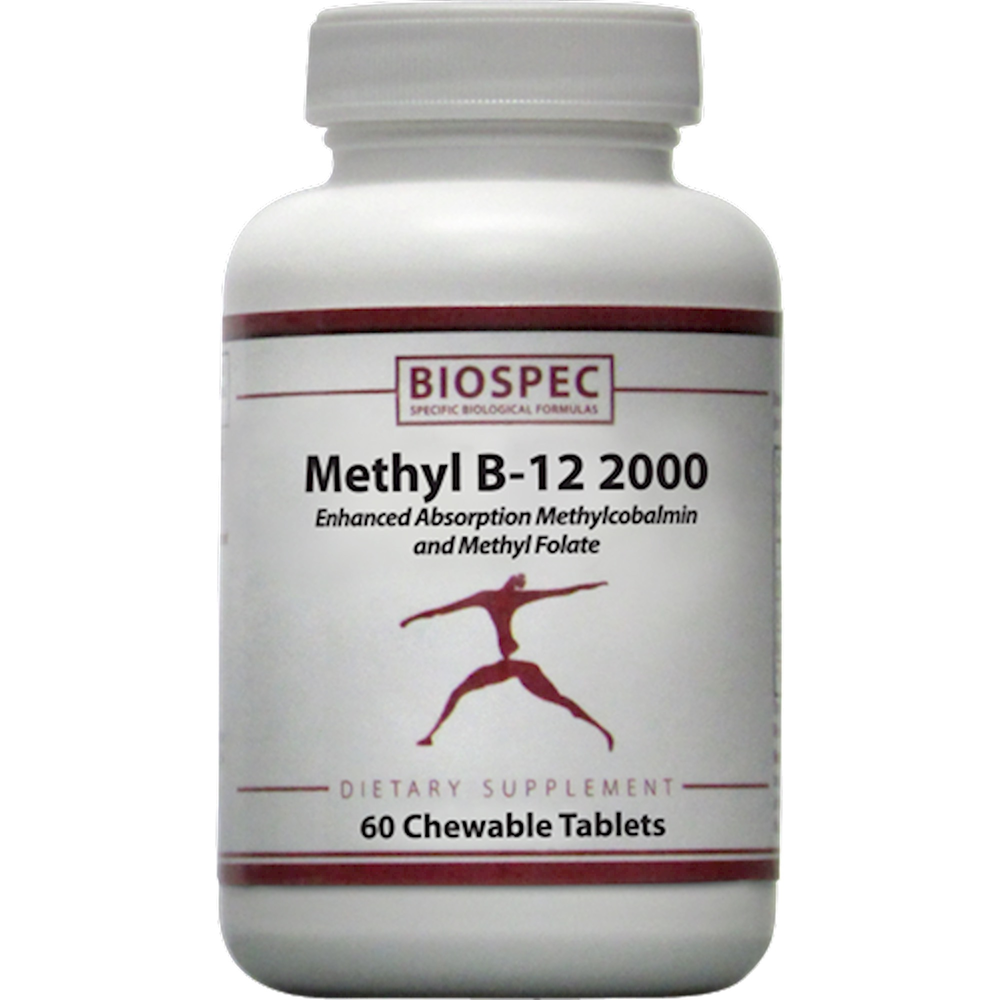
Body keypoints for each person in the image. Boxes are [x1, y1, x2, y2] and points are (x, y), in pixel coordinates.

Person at [401, 574, 614, 749]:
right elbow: (445, 609)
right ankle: (430, 735)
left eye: (518, 583)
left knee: (557, 698)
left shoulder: (514, 598)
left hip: (515, 667)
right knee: (458, 692)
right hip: (504, 667)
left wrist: (592, 585)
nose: (515, 584)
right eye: (516, 580)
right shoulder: (487, 597)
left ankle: (601, 730)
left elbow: (561, 591)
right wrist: (412, 619)